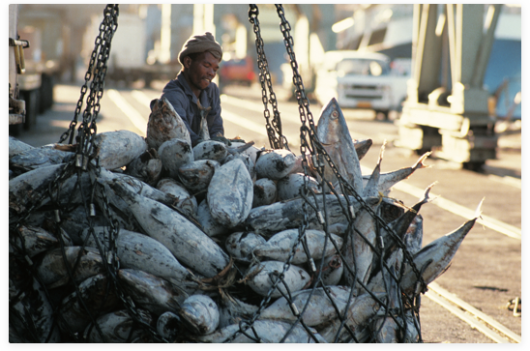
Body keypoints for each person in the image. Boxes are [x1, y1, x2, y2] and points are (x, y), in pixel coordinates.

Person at [160, 32, 230, 147]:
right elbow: (183, 133)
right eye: (206, 66)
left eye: (215, 69)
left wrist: (218, 139)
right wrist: (205, 145)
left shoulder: (212, 91)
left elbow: (216, 127)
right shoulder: (173, 95)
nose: (211, 74)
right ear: (188, 62)